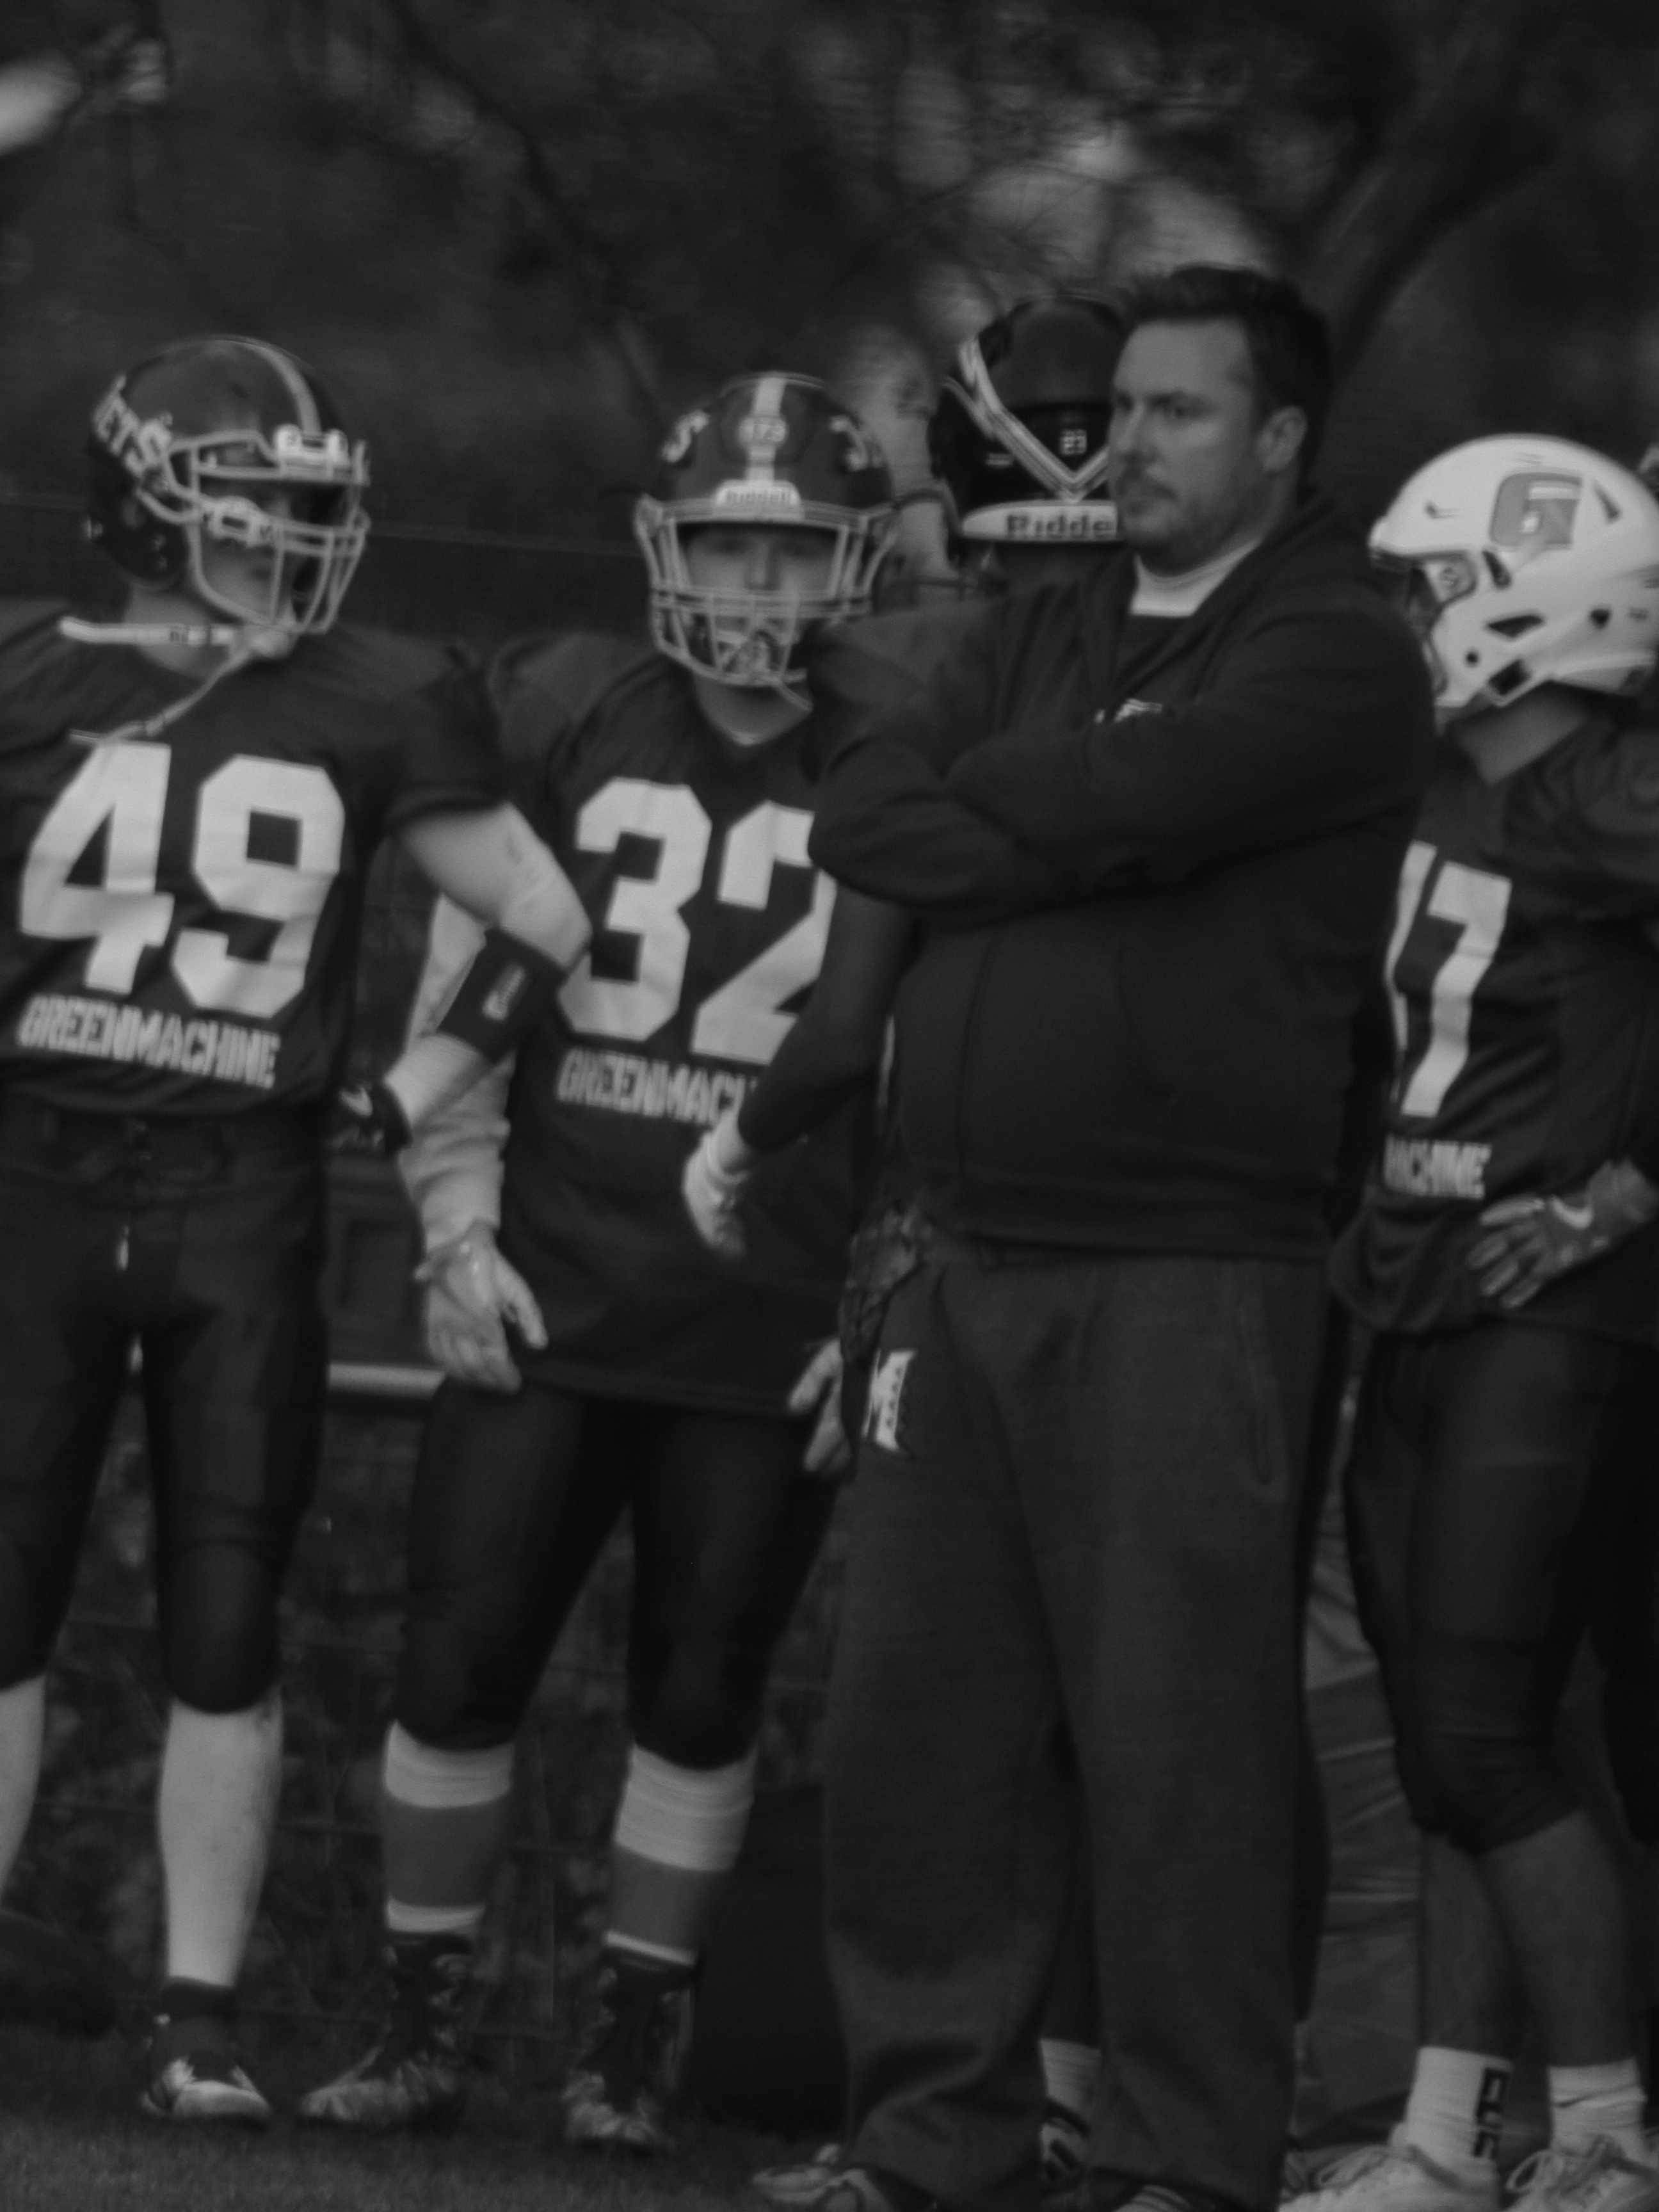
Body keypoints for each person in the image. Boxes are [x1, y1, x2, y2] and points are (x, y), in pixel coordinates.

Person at [0, 333, 595, 2124]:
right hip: (45, 1182)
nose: (293, 545)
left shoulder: (373, 694)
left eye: (307, 509)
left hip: (243, 1196)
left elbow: (545, 918)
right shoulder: (2, 669)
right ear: (150, 512)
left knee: (229, 1606)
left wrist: (404, 1094)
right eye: (256, 509)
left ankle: (197, 2017)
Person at [799, 262, 1436, 2212]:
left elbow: (1122, 795)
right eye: (1118, 410)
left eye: (1176, 413)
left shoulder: (1337, 647)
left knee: (1178, 1742)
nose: (1122, 448)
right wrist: (1068, 821)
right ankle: (932, 2146)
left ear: (1282, 437)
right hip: (961, 1248)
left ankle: (1183, 2159)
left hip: (1190, 1269)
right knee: (917, 1729)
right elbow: (866, 810)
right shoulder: (1043, 619)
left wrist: (1022, 810)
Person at [293, 373, 912, 2149]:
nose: (757, 585)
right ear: (664, 543)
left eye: (793, 552)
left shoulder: (893, 745)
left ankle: (635, 2041)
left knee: (703, 1690)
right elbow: (466, 1000)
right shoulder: (571, 713)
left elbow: (925, 1060)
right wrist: (455, 1233)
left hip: (765, 1311)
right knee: (455, 1661)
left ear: (854, 564)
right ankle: (421, 2024)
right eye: (727, 543)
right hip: (554, 1288)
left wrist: (880, 1298)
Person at [701, 295, 1135, 2211]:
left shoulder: (911, 667)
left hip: (971, 1230)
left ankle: (946, 2120)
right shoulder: (1261, 652)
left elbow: (847, 1014)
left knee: (948, 1713)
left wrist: (738, 1149)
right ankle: (1097, 2108)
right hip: (1190, 1229)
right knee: (1133, 1712)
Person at [1280, 434, 1659, 2212]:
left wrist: (1630, 1185)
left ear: (1534, 605)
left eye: (1430, 588)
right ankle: (1445, 2140)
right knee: (1452, 1742)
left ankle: (1602, 2135)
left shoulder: (1616, 791)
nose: (1406, 620)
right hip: (1423, 1290)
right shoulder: (1440, 784)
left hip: (1554, 1311)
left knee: (1490, 1732)